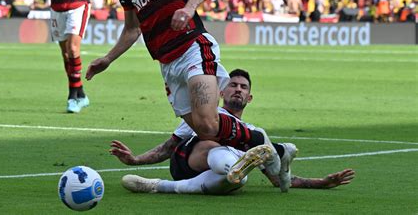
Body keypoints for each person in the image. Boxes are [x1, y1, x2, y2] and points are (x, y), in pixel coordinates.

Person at [86, 0, 277, 166]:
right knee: (205, 130)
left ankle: (262, 141)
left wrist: (188, 9)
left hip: (192, 46)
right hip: (167, 62)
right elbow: (132, 29)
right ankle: (258, 144)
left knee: (208, 122)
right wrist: (108, 59)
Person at [111, 69, 355, 194]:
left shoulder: (253, 132)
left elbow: (276, 178)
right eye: (232, 85)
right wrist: (135, 160)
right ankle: (236, 163)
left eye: (243, 87)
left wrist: (321, 182)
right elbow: (168, 147)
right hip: (188, 162)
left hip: (216, 177)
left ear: (250, 97)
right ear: (221, 93)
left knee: (237, 181)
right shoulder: (208, 116)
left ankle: (159, 186)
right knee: (213, 144)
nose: (237, 90)